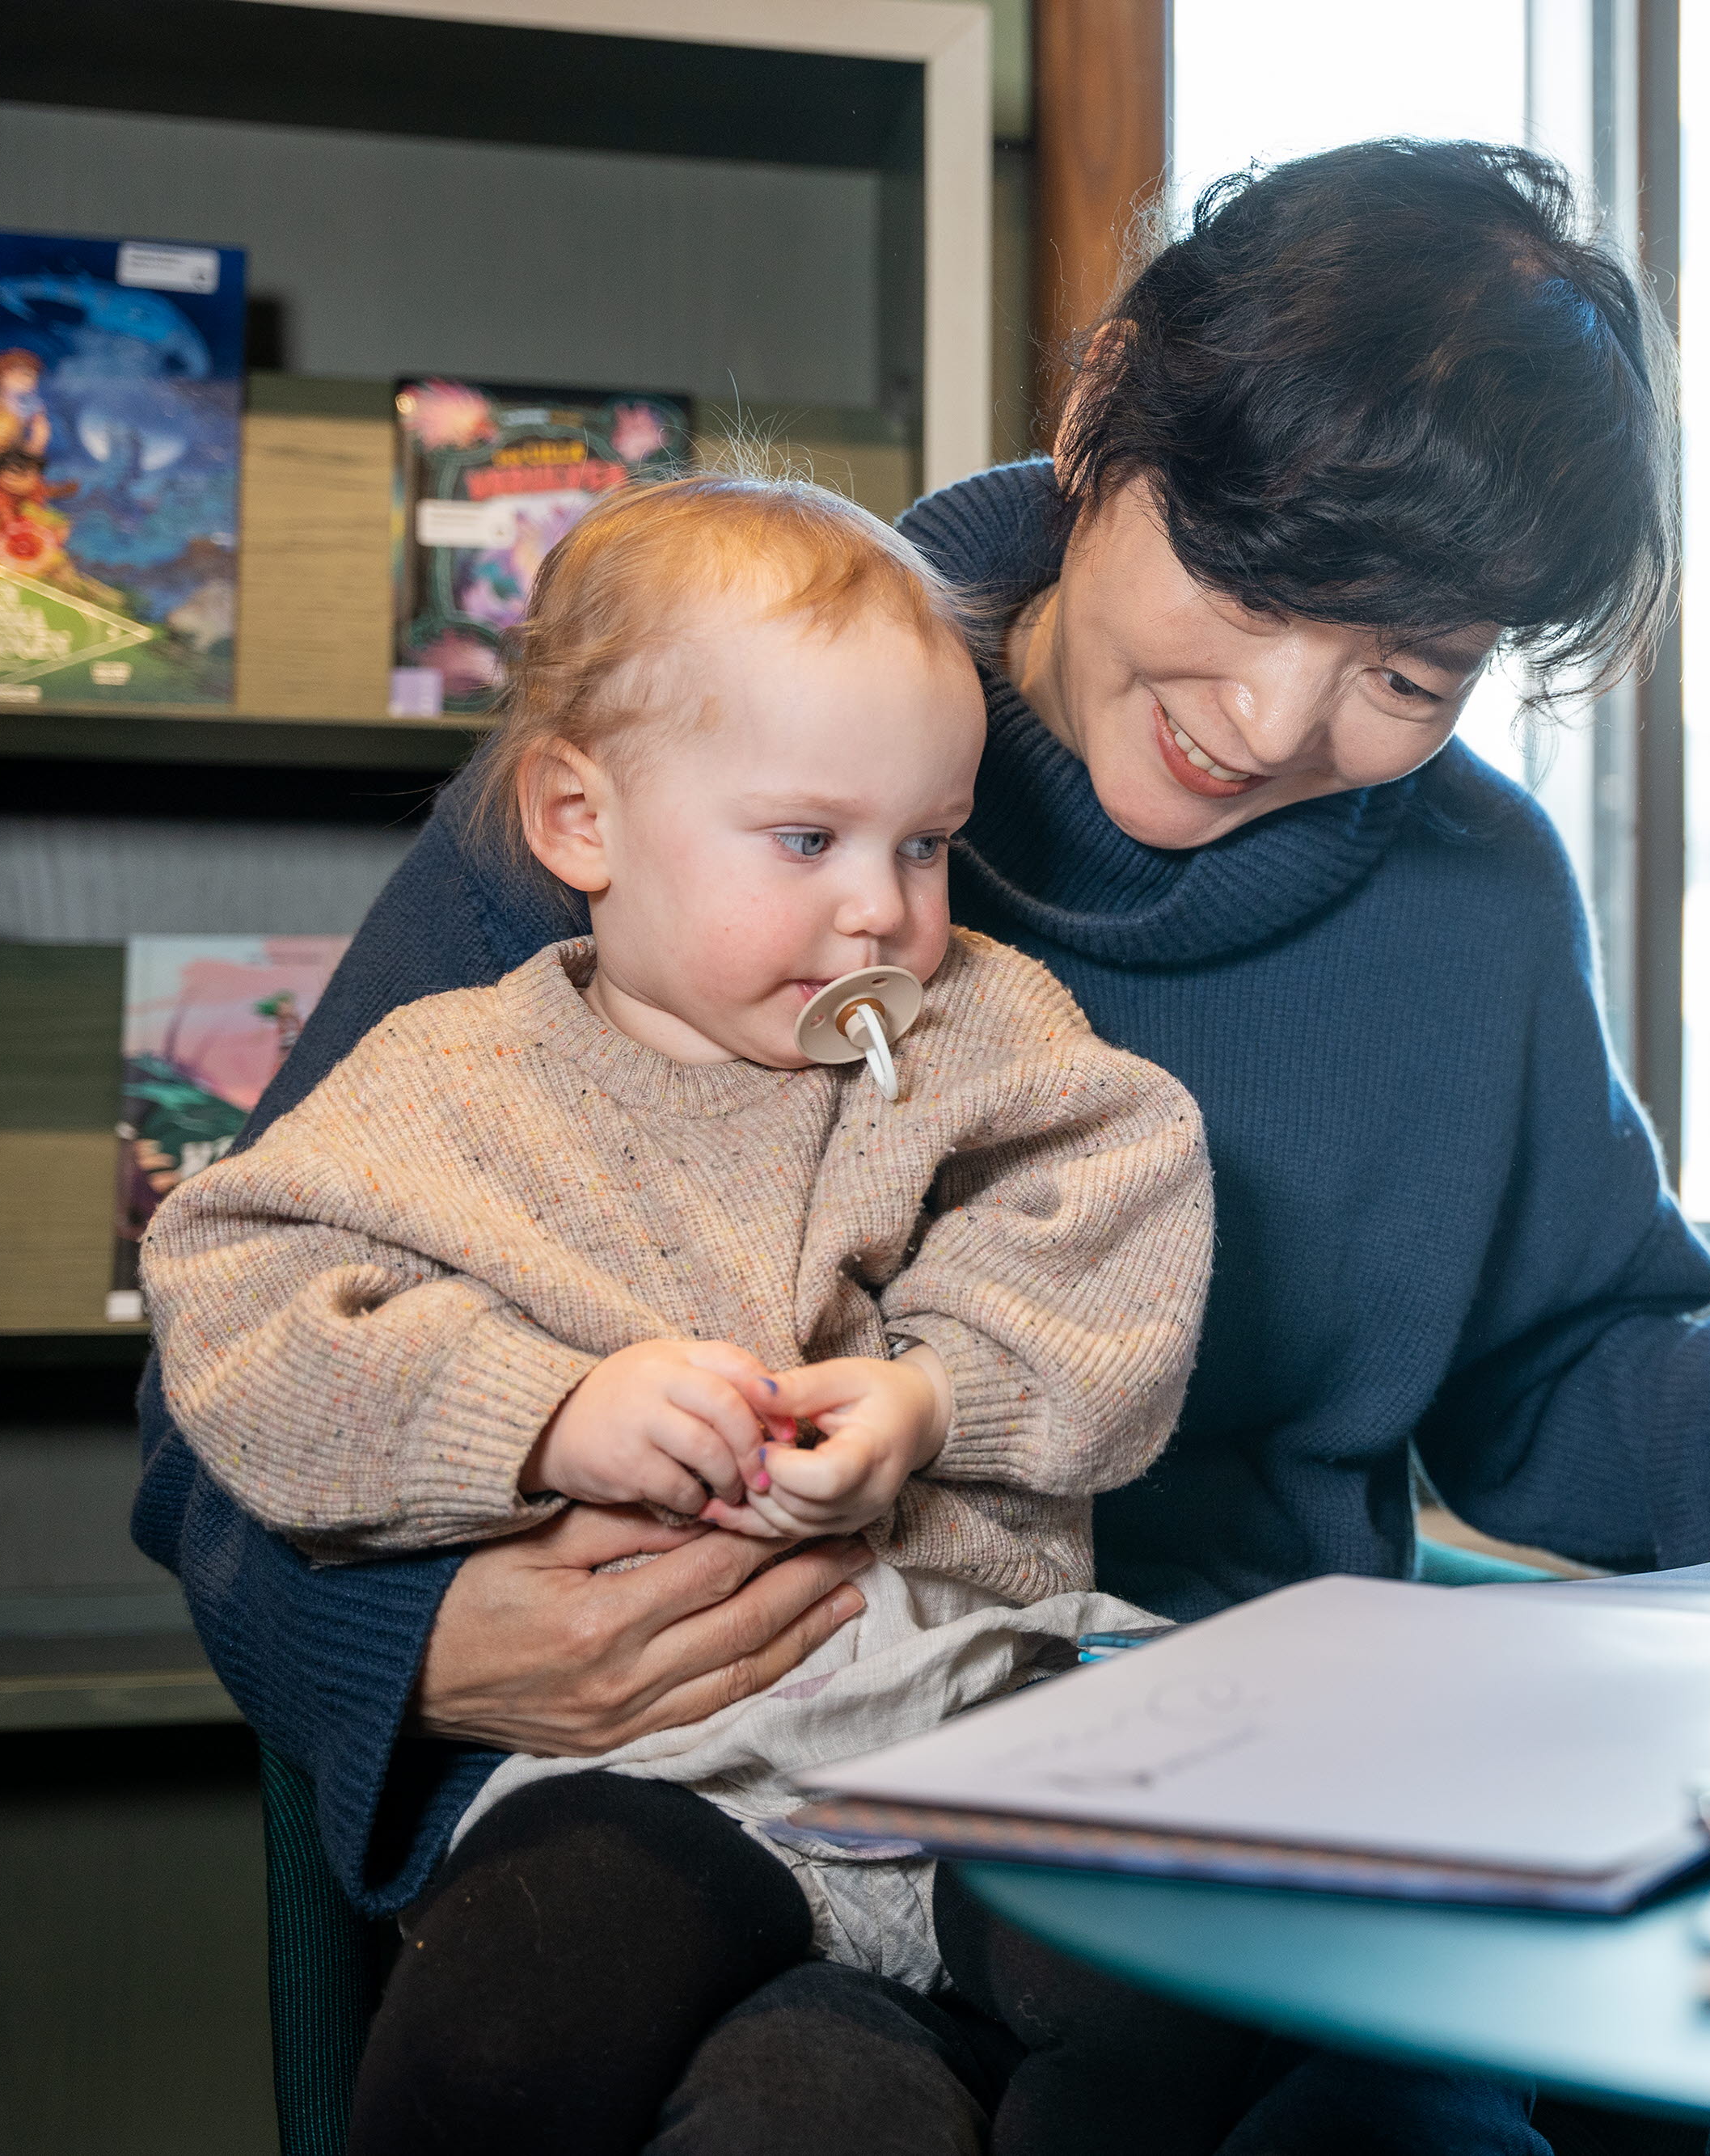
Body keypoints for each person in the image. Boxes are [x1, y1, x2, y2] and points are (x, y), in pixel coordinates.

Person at [133, 139, 1710, 2150]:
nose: (1271, 711)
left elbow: (1560, 1350)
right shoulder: (721, 731)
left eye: (1408, 671)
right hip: (674, 1801)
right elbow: (249, 1354)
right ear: (1099, 414)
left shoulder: (1473, 892)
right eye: (1243, 583)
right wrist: (428, 1636)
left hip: (1221, 1824)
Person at [142, 471, 1215, 2154]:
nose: (880, 908)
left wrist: (932, 1402)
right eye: (808, 839)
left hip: (971, 1707)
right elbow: (239, 1293)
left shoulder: (973, 1028)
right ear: (582, 821)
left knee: (1191, 1989)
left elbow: (1115, 1208)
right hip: (645, 1766)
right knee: (496, 2031)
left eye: (923, 843)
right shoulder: (452, 1077)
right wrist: (538, 1417)